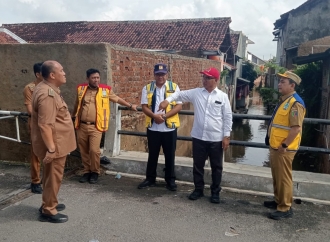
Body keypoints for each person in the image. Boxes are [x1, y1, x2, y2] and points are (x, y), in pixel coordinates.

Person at [158, 67, 232, 203]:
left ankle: (215, 191)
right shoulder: (196, 93)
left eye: (208, 78)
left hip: (216, 138)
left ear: (215, 80)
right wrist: (167, 101)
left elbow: (227, 117)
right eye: (203, 77)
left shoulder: (222, 96)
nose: (204, 80)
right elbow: (178, 95)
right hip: (199, 137)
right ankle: (198, 189)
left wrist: (226, 136)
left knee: (217, 167)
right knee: (197, 166)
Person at [72, 68, 138, 184]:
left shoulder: (105, 90)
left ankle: (95, 172)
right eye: (93, 78)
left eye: (97, 77)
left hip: (96, 126)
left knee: (94, 150)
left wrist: (130, 105)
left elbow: (117, 98)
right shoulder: (81, 89)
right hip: (81, 125)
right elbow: (77, 104)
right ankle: (86, 171)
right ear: (88, 79)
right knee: (83, 150)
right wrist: (72, 118)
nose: (96, 80)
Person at [31, 60, 76, 223]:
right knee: (53, 177)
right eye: (62, 70)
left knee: (51, 176)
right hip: (54, 144)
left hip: (57, 142)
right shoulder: (47, 94)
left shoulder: (46, 88)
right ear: (52, 75)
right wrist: (51, 149)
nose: (64, 73)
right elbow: (45, 124)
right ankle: (49, 210)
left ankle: (49, 203)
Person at [264, 71, 305, 220]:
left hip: (284, 148)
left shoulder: (295, 104)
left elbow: (296, 128)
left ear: (292, 85)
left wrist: (285, 144)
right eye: (279, 81)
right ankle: (278, 201)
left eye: (283, 82)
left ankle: (285, 207)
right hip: (277, 145)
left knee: (284, 178)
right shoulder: (285, 100)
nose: (279, 84)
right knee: (277, 176)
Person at [138, 63, 182, 191]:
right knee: (152, 154)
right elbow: (144, 106)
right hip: (153, 128)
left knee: (170, 155)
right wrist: (154, 116)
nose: (160, 77)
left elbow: (179, 106)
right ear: (154, 74)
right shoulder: (147, 88)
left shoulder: (174, 87)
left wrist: (164, 117)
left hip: (169, 128)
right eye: (158, 74)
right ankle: (150, 179)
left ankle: (170, 180)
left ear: (166, 74)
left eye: (162, 74)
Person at [23, 62, 43, 194]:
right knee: (36, 153)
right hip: (36, 125)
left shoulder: (52, 87)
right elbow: (30, 110)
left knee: (51, 153)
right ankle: (35, 181)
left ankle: (47, 180)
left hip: (51, 125)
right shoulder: (29, 88)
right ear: (38, 74)